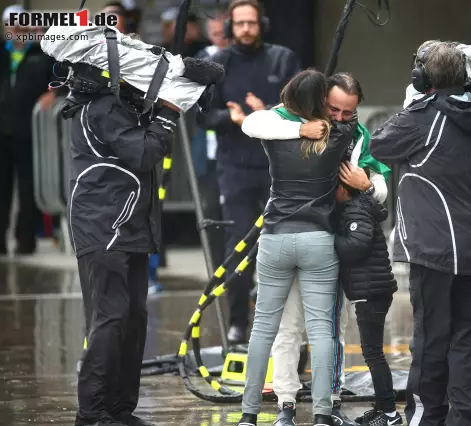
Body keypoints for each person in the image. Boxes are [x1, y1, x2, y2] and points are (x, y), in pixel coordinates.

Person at [239, 72, 390, 426]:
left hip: (295, 237)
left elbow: (379, 187)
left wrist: (366, 184)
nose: (339, 118)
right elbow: (253, 122)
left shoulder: (351, 132)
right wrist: (303, 130)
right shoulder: (309, 124)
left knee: (279, 327)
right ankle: (305, 408)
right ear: (321, 99)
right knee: (306, 329)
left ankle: (256, 414)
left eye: (347, 113)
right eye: (333, 109)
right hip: (321, 241)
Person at [370, 41, 471, 426]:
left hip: (436, 248)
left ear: (421, 77)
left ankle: (426, 418)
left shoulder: (422, 117)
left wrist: (413, 101)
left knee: (431, 340)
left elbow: (380, 143)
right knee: (469, 339)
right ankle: (466, 418)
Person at [62, 76, 181, 425]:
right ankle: (92, 412)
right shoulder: (101, 106)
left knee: (134, 318)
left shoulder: (120, 105)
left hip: (128, 225)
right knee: (111, 317)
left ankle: (119, 408)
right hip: (102, 227)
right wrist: (166, 117)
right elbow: (143, 153)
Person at [197, 0, 300, 344]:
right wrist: (233, 119)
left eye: (251, 23)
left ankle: (283, 325)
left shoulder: (283, 58)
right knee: (238, 246)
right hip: (235, 169)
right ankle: (238, 321)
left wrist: (267, 113)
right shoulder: (218, 63)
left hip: (279, 169)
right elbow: (204, 117)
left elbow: (303, 110)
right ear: (229, 28)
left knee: (284, 246)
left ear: (262, 25)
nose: (245, 29)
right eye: (239, 23)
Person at [333, 177, 401, 426]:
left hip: (371, 292)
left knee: (373, 354)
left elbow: (356, 246)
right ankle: (383, 406)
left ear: (342, 188)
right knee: (372, 353)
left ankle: (390, 414)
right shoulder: (358, 206)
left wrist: (329, 240)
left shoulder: (355, 210)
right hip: (372, 290)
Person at [0, 4, 57, 255]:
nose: (16, 31)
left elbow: (62, 78)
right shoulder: (2, 54)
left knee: (28, 188)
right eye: (12, 26)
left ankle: (25, 240)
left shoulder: (41, 54)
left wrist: (52, 93)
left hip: (28, 132)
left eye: (21, 26)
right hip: (2, 131)